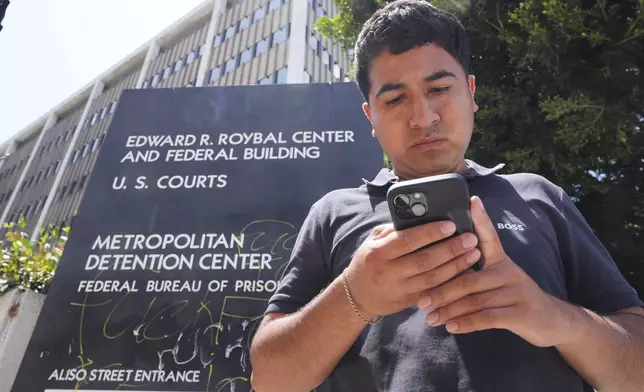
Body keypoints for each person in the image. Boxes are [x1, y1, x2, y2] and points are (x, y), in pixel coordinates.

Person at [249, 1, 644, 391]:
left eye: (439, 88)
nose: (424, 118)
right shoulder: (333, 213)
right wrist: (355, 295)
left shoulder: (539, 196)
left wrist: (555, 317)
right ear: (370, 116)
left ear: (471, 93)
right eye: (395, 99)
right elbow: (269, 380)